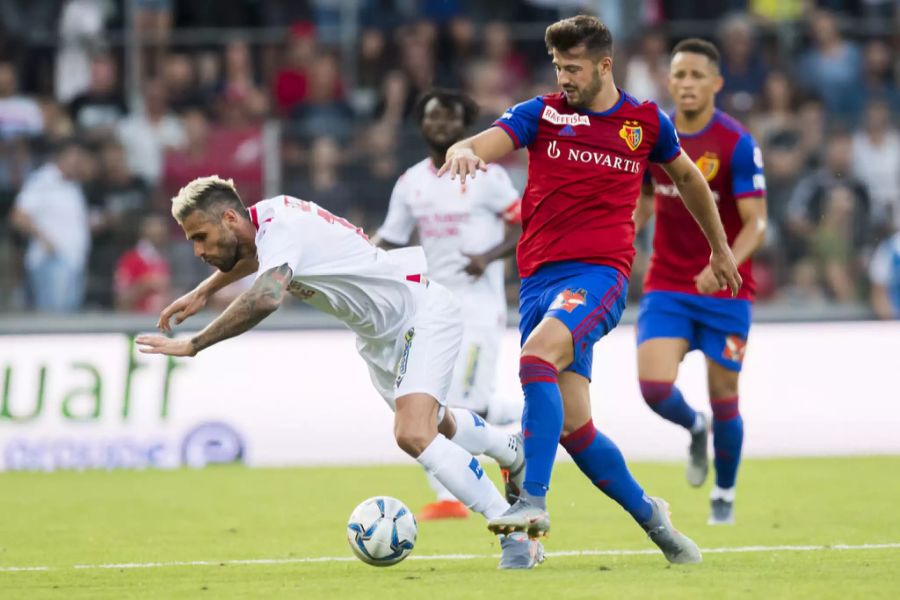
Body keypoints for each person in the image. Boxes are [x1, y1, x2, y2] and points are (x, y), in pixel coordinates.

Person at [439, 15, 741, 564]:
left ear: (605, 65)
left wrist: (719, 250)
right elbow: (488, 140)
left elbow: (691, 180)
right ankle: (656, 521)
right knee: (575, 427)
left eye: (573, 68)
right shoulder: (542, 113)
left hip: (599, 275)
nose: (564, 78)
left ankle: (532, 500)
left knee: (535, 359)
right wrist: (464, 148)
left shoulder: (644, 122)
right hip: (537, 281)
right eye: (558, 67)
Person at [135, 176, 541, 569]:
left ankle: (512, 526)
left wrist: (195, 343)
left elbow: (266, 297)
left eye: (199, 237)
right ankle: (510, 450)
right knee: (440, 425)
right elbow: (254, 255)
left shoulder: (282, 227)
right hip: (379, 337)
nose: (197, 250)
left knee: (413, 433)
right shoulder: (265, 222)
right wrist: (203, 291)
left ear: (228, 219)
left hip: (421, 312)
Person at [633, 39, 768, 526]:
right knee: (653, 387)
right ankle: (695, 429)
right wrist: (625, 237)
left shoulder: (736, 142)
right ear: (668, 81)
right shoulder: (655, 134)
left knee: (724, 392)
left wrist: (723, 261)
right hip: (668, 283)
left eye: (696, 75)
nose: (687, 83)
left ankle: (724, 496)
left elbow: (757, 222)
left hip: (725, 289)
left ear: (716, 83)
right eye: (679, 75)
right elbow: (646, 197)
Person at [373, 89, 523, 521]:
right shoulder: (410, 183)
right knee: (437, 403)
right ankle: (528, 417)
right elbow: (393, 238)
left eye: (449, 119)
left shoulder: (487, 175)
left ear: (465, 125)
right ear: (421, 124)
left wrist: (489, 257)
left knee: (466, 405)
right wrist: (360, 257)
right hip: (432, 308)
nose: (440, 125)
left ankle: (458, 491)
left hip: (478, 307)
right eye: (432, 118)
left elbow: (522, 221)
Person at [9, 138, 91, 311]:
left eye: (80, 159)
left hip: (74, 262)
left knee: (69, 323)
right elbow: (18, 216)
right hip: (52, 262)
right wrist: (44, 238)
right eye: (74, 158)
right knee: (54, 320)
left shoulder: (73, 185)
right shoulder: (43, 180)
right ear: (60, 157)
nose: (77, 163)